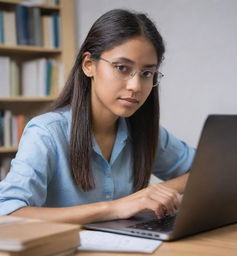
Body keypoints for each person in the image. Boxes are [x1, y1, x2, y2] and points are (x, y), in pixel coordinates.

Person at [0, 9, 195, 224]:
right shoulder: (46, 133)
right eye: (122, 68)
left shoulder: (145, 131)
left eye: (147, 73)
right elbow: (7, 212)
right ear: (88, 65)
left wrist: (159, 191)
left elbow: (206, 171)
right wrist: (115, 208)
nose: (135, 86)